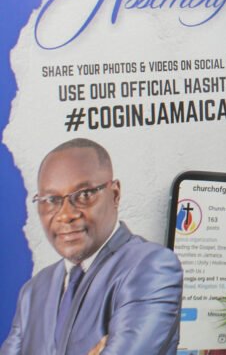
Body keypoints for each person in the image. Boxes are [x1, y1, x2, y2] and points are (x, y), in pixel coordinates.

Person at [2, 138, 182, 355]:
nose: (66, 215)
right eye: (50, 200)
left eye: (84, 195)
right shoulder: (33, 291)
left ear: (115, 194)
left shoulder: (152, 267)